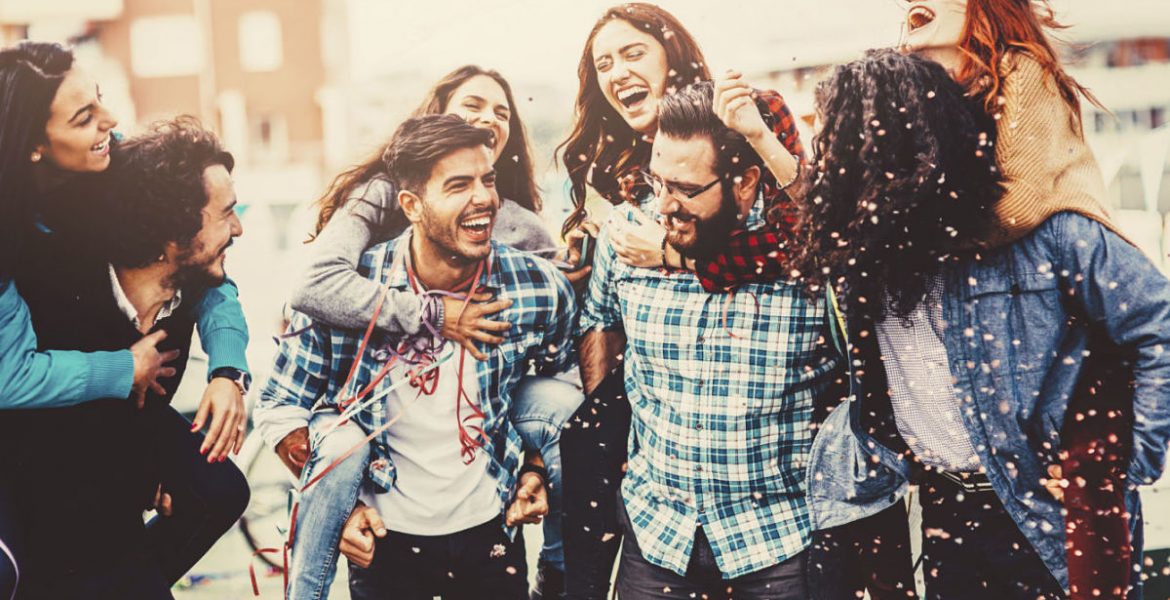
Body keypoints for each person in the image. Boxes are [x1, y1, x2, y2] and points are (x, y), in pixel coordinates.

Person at [803, 49, 1170, 600]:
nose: (841, 164)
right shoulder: (869, 254)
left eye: (852, 146)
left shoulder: (1049, 233)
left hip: (1043, 509)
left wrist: (1132, 458)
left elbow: (1158, 322)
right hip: (944, 507)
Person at [281, 65, 583, 599]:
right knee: (340, 442)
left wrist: (535, 464)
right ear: (412, 207)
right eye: (459, 185)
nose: (483, 198)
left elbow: (562, 371)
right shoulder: (358, 270)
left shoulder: (535, 282)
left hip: (492, 527)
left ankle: (560, 583)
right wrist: (340, 500)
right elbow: (282, 400)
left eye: (487, 180)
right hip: (388, 538)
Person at [0, 41, 249, 598]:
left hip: (94, 400)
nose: (110, 124)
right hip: (30, 416)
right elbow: (8, 374)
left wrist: (228, 370)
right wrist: (124, 369)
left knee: (218, 489)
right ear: (35, 143)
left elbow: (211, 277)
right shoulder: (25, 244)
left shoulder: (111, 181)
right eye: (84, 116)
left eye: (100, 102)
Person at [900, 4, 1135, 593]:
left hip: (1069, 320)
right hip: (984, 462)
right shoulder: (950, 89)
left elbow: (1019, 200)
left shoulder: (1020, 68)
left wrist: (910, 232)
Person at [575, 81, 840, 599]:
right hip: (656, 539)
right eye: (658, 182)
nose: (665, 207)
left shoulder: (802, 253)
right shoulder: (631, 235)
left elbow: (828, 225)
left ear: (744, 183)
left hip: (777, 543)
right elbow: (600, 322)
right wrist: (609, 428)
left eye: (686, 190)